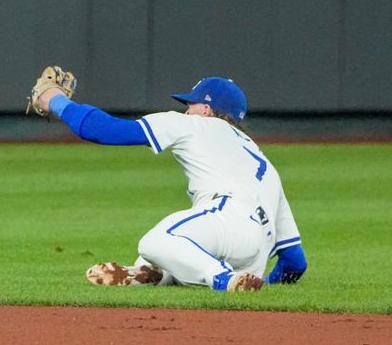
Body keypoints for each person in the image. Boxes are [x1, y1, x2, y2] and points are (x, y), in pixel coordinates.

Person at [32, 72, 307, 291]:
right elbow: (295, 262)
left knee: (155, 243)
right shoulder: (264, 163)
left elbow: (101, 130)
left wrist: (55, 99)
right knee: (176, 252)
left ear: (208, 110)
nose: (187, 110)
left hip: (226, 219)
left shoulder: (194, 124)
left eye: (191, 104)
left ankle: (220, 279)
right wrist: (266, 284)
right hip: (253, 253)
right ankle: (155, 274)